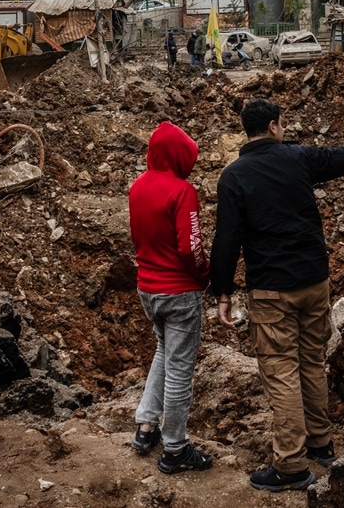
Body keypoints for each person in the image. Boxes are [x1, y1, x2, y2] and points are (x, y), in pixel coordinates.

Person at [209, 98, 344, 492]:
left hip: (272, 290)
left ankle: (290, 465)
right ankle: (321, 444)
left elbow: (227, 238)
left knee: (281, 370)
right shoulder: (298, 157)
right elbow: (340, 158)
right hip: (314, 282)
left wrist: (222, 291)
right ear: (273, 126)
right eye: (282, 124)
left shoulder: (233, 176)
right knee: (310, 362)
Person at [128, 121, 215, 475]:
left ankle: (146, 426)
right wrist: (205, 275)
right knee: (180, 369)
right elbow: (190, 247)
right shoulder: (182, 191)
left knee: (163, 351)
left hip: (147, 288)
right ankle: (175, 448)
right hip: (179, 291)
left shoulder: (138, 186)